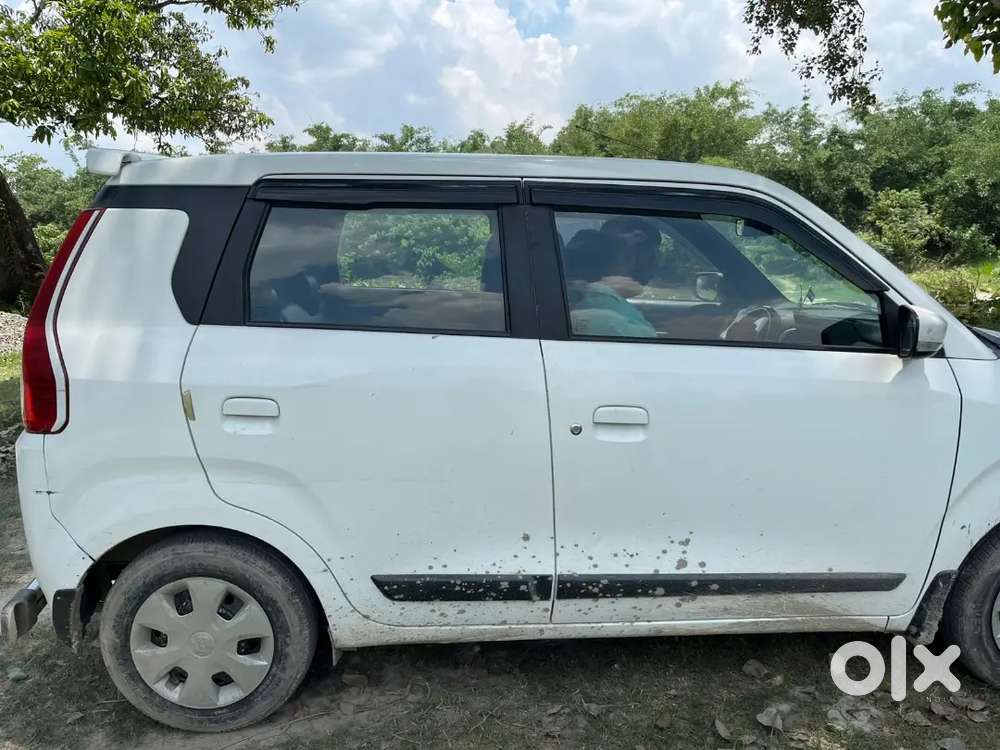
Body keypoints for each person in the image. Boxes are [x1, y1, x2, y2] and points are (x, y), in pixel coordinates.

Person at [562, 229, 657, 338]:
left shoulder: (563, 298)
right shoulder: (607, 320)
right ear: (619, 266)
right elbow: (652, 343)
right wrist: (605, 292)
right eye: (631, 260)